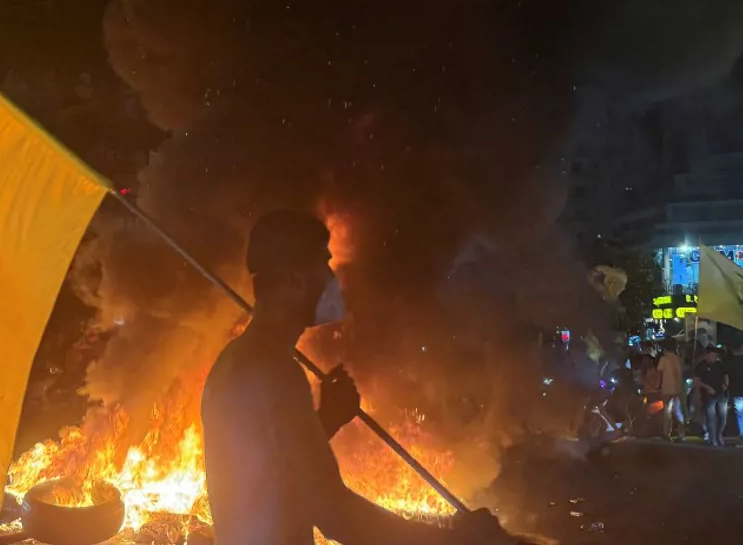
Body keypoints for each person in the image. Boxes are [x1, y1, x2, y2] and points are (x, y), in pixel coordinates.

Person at [201, 211, 511, 545]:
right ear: (294, 282)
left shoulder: (232, 364)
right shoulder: (274, 372)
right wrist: (453, 542)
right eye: (324, 265)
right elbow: (337, 514)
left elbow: (270, 473)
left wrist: (326, 421)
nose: (331, 279)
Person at [694, 347, 728, 446]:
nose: (714, 357)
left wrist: (725, 385)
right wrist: (707, 387)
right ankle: (713, 439)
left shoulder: (719, 364)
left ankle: (719, 434)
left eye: (715, 356)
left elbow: (725, 375)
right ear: (707, 355)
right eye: (712, 355)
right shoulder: (701, 366)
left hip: (721, 393)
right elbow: (696, 381)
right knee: (710, 417)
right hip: (708, 395)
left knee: (722, 416)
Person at [657, 340, 685, 440]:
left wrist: (658, 386)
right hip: (678, 388)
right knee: (678, 411)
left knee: (667, 411)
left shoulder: (663, 359)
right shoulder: (678, 359)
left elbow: (660, 374)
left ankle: (667, 433)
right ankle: (681, 433)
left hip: (667, 388)